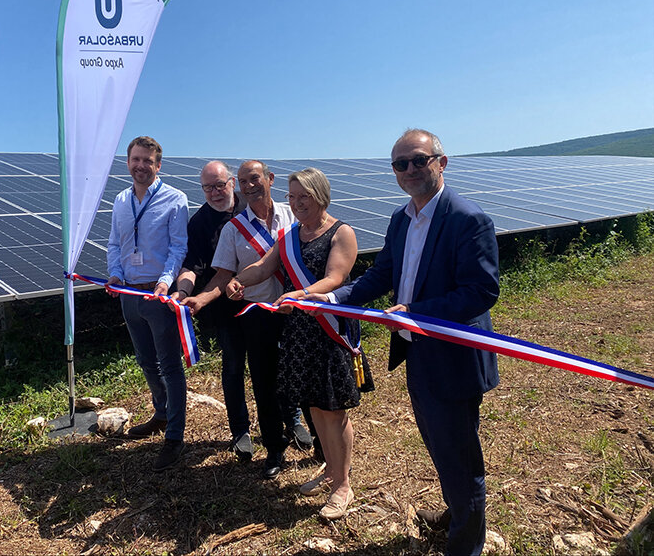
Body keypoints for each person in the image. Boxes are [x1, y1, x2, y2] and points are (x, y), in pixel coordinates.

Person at [310, 129, 500, 555]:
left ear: (441, 162)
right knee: (439, 442)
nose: (410, 170)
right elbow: (382, 275)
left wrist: (417, 312)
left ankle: (465, 544)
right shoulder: (401, 219)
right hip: (418, 352)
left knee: (458, 452)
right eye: (401, 163)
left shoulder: (468, 219)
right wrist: (334, 298)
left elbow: (481, 290)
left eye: (419, 160)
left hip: (454, 357)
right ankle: (457, 513)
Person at [227, 167, 362, 519]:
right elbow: (262, 266)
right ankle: (332, 470)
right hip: (300, 333)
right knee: (315, 406)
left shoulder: (340, 232)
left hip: (328, 329)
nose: (297, 203)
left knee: (334, 409)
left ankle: (343, 485)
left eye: (304, 196)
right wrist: (239, 281)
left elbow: (335, 277)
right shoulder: (289, 236)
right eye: (292, 197)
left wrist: (301, 293)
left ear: (320, 195)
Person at [175, 160, 311, 479]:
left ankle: (308, 431)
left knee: (301, 372)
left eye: (255, 179)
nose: (249, 186)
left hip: (295, 310)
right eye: (209, 187)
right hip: (252, 313)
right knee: (257, 379)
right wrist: (198, 297)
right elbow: (220, 275)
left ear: (269, 179)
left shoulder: (293, 214)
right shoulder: (224, 228)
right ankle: (270, 445)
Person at [106, 136, 189, 472]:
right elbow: (114, 243)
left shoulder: (175, 199)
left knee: (169, 365)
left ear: (158, 165)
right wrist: (113, 274)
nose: (141, 166)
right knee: (145, 360)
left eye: (148, 161)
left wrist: (166, 281)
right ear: (128, 162)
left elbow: (178, 248)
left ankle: (174, 435)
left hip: (159, 295)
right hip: (129, 294)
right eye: (135, 159)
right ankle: (161, 411)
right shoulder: (121, 201)